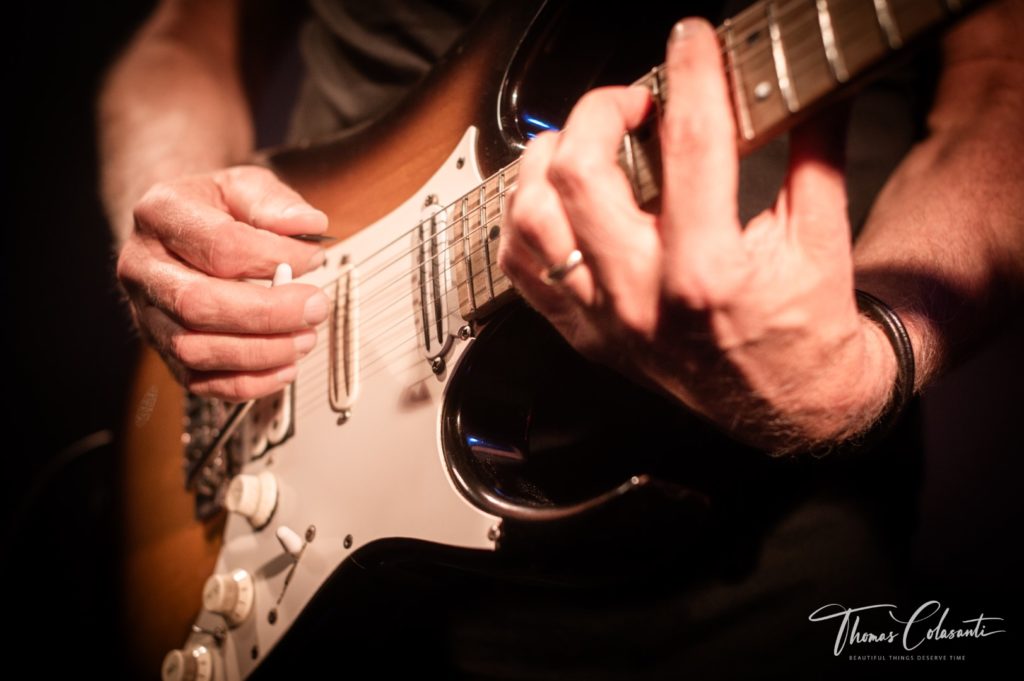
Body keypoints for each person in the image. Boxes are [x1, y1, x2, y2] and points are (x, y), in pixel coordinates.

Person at [101, 0, 1024, 677]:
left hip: (761, 568)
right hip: (297, 474)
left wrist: (877, 356)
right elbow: (186, 36)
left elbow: (1005, 79)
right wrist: (178, 217)